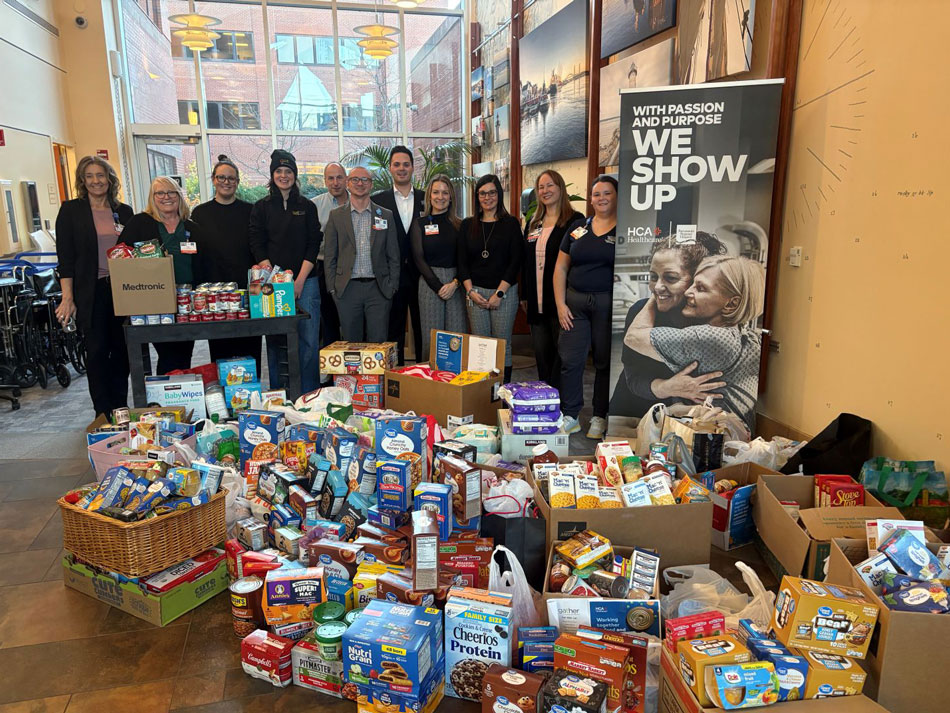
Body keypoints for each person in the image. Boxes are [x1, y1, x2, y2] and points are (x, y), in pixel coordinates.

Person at [623, 255, 766, 432]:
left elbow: (634, 337)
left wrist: (658, 294)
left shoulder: (712, 338)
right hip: (733, 439)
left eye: (700, 288)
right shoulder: (743, 334)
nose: (688, 292)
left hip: (714, 441)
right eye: (692, 283)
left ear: (732, 303)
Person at [609, 232, 728, 417]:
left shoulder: (715, 323)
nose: (657, 286)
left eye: (670, 278)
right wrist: (668, 387)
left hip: (689, 422)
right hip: (634, 415)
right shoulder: (640, 312)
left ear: (697, 279)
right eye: (653, 277)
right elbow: (633, 377)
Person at [54, 155, 133, 417]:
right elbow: (65, 259)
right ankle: (102, 411)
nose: (96, 181)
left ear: (109, 179)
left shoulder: (124, 211)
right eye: (89, 176)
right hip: (90, 291)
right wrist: (67, 298)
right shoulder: (71, 211)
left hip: (122, 290)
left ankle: (120, 407)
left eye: (100, 175)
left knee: (122, 350)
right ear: (82, 180)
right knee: (97, 351)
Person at [248, 150, 322, 393]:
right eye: (278, 171)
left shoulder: (307, 207)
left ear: (295, 175)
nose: (283, 175)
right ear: (272, 175)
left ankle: (308, 394)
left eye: (288, 171)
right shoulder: (261, 207)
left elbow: (314, 243)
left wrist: (299, 280)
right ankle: (279, 395)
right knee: (275, 341)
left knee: (308, 341)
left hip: (306, 281)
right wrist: (275, 279)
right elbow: (256, 241)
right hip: (271, 285)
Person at [553, 175, 619, 438]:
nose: (601, 198)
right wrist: (560, 304)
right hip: (575, 304)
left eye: (607, 193)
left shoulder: (624, 230)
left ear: (616, 197)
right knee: (571, 360)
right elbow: (560, 267)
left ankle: (599, 416)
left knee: (604, 362)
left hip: (607, 304)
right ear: (590, 198)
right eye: (596, 194)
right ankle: (570, 414)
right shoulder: (578, 228)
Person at [119, 177, 201, 374]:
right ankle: (166, 395)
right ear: (152, 197)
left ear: (179, 196)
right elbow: (121, 254)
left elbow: (204, 261)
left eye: (171, 192)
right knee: (168, 354)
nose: (166, 197)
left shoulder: (191, 227)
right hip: (153, 301)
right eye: (160, 193)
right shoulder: (140, 222)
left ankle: (179, 393)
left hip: (185, 301)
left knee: (184, 352)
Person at [190, 155, 260, 371]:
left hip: (246, 291)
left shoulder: (250, 211)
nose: (226, 182)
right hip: (214, 294)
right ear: (213, 180)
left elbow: (258, 247)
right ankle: (223, 398)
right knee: (220, 352)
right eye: (222, 177)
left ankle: (251, 396)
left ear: (237, 182)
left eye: (231, 178)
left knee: (250, 350)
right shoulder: (200, 213)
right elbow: (196, 254)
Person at [521, 170, 584, 389]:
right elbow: (525, 261)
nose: (545, 191)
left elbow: (578, 260)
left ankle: (564, 405)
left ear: (560, 188)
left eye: (550, 186)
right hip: (535, 300)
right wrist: (524, 294)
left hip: (561, 302)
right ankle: (544, 400)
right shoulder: (534, 222)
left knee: (563, 357)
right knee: (542, 355)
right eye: (541, 187)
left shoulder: (575, 221)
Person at [457, 174, 522, 382]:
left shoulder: (510, 223)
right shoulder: (468, 225)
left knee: (502, 344)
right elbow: (462, 262)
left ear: (498, 194)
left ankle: (503, 393)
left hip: (504, 292)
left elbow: (516, 262)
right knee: (481, 346)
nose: (487, 197)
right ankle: (484, 395)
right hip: (475, 293)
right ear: (477, 196)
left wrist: (500, 293)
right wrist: (470, 292)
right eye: (483, 193)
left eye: (492, 192)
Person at [324, 166, 400, 341]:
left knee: (378, 345)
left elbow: (393, 255)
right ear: (348, 184)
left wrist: (392, 286)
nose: (360, 183)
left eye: (365, 180)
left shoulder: (385, 215)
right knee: (351, 345)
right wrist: (333, 289)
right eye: (355, 180)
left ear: (371, 185)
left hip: (379, 289)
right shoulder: (336, 216)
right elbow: (330, 256)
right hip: (347, 289)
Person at [372, 146, 424, 364]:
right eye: (397, 164)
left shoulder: (426, 198)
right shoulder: (378, 201)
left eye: (406, 164)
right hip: (392, 276)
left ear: (412, 167)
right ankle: (397, 377)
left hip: (423, 275)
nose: (401, 169)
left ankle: (425, 375)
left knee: (423, 328)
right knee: (393, 329)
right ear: (390, 168)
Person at [410, 174, 467, 358]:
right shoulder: (420, 224)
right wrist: (438, 286)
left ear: (451, 197)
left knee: (456, 338)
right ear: (429, 195)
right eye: (436, 192)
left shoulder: (460, 225)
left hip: (456, 284)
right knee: (431, 338)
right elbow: (419, 259)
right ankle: (431, 384)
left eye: (445, 192)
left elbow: (464, 259)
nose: (440, 197)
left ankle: (454, 383)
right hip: (429, 284)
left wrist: (454, 283)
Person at [312, 162, 347, 350]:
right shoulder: (315, 205)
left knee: (351, 319)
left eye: (339, 177)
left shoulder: (358, 201)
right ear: (325, 181)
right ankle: (330, 371)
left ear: (346, 179)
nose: (335, 182)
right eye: (331, 178)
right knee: (329, 320)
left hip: (352, 269)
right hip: (324, 268)